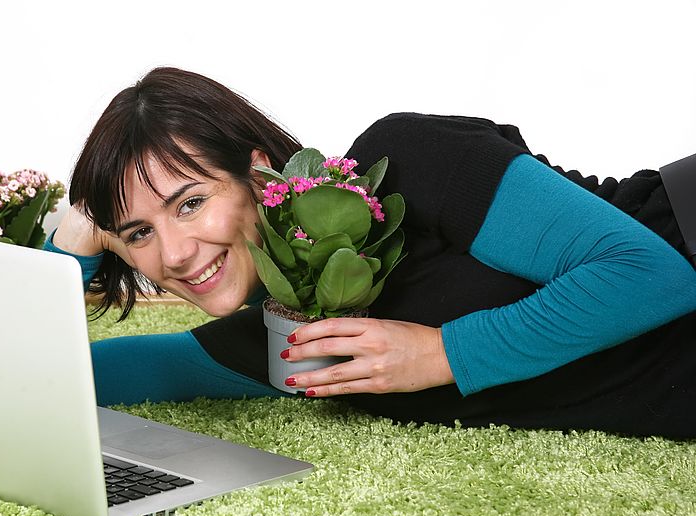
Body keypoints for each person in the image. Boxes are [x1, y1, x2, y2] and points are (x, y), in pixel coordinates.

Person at [45, 67, 696, 440]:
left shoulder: (405, 159)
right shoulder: (284, 345)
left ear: (259, 174)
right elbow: (58, 374)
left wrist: (439, 353)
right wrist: (73, 247)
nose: (177, 253)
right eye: (138, 233)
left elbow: (652, 274)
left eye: (189, 203)